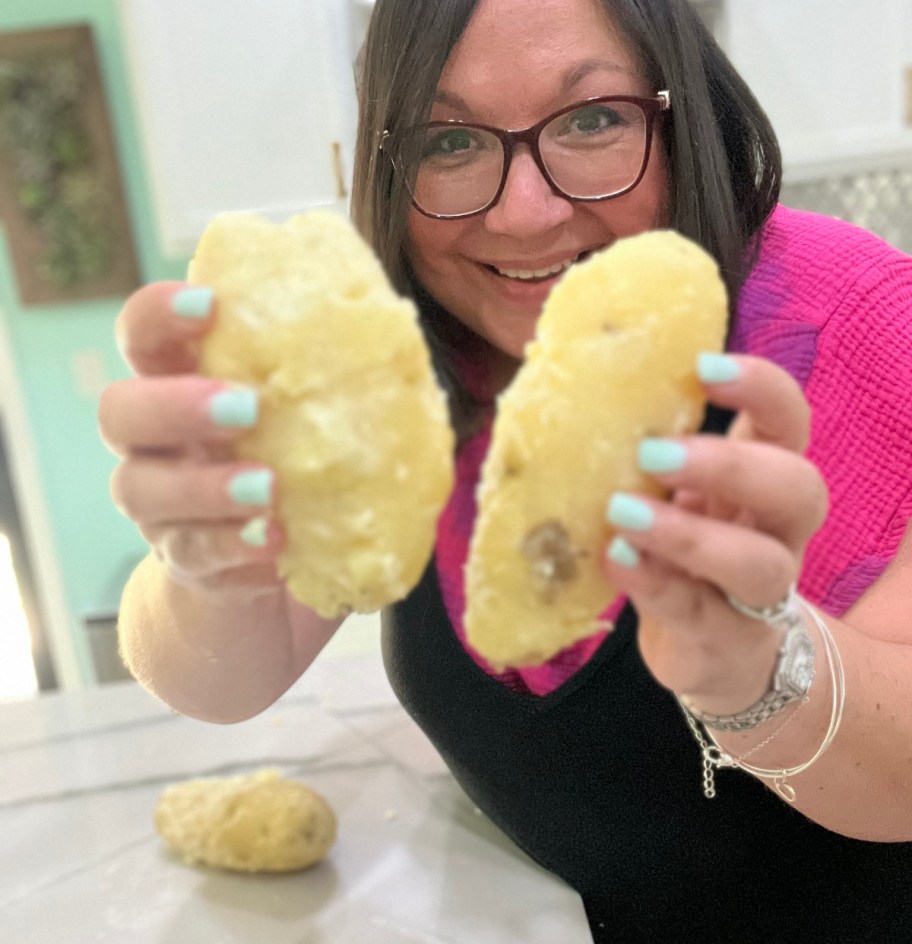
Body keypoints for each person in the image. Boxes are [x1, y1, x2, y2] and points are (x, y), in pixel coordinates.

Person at [99, 0, 912, 939]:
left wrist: (763, 667)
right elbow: (221, 683)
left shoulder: (859, 323)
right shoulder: (397, 363)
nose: (525, 212)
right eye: (450, 141)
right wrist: (207, 561)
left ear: (683, 110)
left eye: (593, 119)